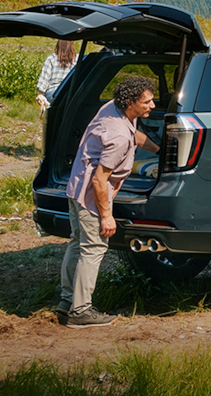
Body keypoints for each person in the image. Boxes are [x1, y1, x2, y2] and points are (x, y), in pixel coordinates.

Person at [57, 77, 158, 328]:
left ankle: (66, 301)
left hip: (75, 187)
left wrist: (162, 149)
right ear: (131, 103)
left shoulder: (113, 108)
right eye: (147, 101)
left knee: (78, 243)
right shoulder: (118, 137)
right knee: (94, 248)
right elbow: (100, 181)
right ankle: (81, 312)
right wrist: (106, 216)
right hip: (92, 194)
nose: (153, 105)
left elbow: (135, 134)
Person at [36, 40, 78, 108]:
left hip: (53, 93)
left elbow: (45, 78)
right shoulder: (77, 59)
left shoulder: (51, 58)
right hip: (70, 92)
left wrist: (40, 94)